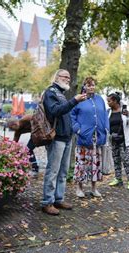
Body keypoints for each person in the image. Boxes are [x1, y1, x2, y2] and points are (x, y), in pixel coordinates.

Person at [41, 69, 86, 215]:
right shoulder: (50, 92)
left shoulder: (61, 94)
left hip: (66, 137)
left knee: (63, 172)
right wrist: (74, 101)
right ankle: (47, 202)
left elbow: (65, 112)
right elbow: (54, 111)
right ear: (56, 77)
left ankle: (58, 199)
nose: (67, 79)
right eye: (64, 76)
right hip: (57, 138)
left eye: (69, 77)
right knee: (53, 171)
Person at [71, 77, 109, 198]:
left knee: (95, 163)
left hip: (97, 137)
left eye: (93, 85)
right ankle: (79, 188)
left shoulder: (100, 99)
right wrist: (78, 129)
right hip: (84, 137)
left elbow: (105, 115)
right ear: (84, 86)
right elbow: (71, 116)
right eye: (89, 85)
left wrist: (106, 129)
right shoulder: (79, 99)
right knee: (81, 163)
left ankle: (94, 188)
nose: (91, 87)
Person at [107, 92, 129, 190]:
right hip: (113, 140)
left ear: (115, 101)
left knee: (126, 160)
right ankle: (118, 179)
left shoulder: (126, 108)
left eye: (109, 101)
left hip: (124, 140)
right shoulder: (108, 111)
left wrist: (128, 115)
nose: (108, 103)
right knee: (116, 160)